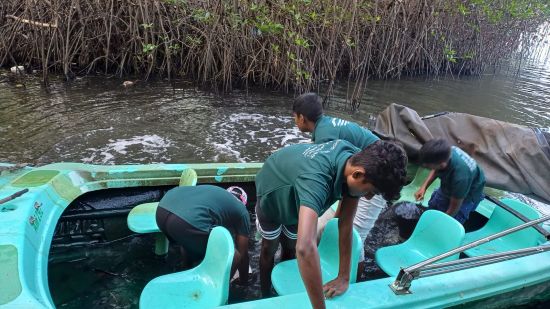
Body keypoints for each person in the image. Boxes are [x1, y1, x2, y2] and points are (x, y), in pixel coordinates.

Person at [255, 139, 407, 308]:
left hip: (298, 202)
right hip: (271, 198)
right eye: (370, 191)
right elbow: (305, 248)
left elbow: (346, 225)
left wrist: (344, 277)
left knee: (289, 247)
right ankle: (265, 294)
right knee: (269, 248)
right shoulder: (316, 181)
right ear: (357, 174)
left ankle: (285, 284)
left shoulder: (356, 160)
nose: (368, 197)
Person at [292, 92, 387, 278]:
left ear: (302, 117)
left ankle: (354, 281)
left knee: (355, 236)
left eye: (294, 118)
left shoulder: (324, 137)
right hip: (362, 175)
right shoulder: (324, 126)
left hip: (374, 180)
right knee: (338, 224)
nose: (295, 122)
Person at [155, 185, 250, 284]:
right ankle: (215, 292)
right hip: (185, 222)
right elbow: (243, 254)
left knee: (187, 239)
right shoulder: (242, 211)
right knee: (235, 257)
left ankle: (185, 270)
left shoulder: (215, 195)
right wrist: (244, 281)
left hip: (162, 210)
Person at [414, 138, 486, 224]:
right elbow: (435, 169)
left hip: (467, 194)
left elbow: (455, 207)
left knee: (449, 221)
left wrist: (441, 221)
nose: (428, 168)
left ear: (442, 165)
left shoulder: (460, 177)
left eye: (428, 166)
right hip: (452, 182)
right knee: (434, 205)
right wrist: (424, 187)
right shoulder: (446, 152)